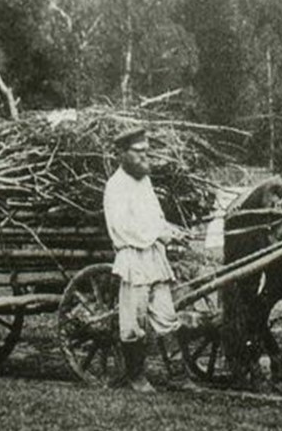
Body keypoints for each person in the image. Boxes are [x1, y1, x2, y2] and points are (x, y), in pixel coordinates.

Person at [104, 127, 185, 393]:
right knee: (133, 320)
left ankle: (179, 375)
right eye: (138, 152)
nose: (144, 157)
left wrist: (170, 230)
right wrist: (161, 234)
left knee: (166, 315)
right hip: (132, 258)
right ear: (122, 154)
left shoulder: (144, 182)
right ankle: (136, 376)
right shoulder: (115, 187)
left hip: (154, 258)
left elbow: (156, 218)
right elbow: (124, 228)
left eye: (146, 152)